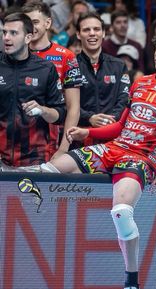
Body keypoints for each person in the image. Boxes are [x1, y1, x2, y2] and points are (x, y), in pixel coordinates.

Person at [39, 29, 156, 289]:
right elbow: (119, 127)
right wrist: (87, 131)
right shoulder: (140, 84)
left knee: (122, 212)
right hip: (114, 148)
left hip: (142, 159)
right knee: (49, 170)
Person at [0, 12, 66, 167]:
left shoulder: (45, 68)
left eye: (13, 33)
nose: (6, 38)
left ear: (28, 38)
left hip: (33, 158)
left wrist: (43, 110)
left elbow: (60, 114)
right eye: (4, 32)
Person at [22, 0, 81, 159]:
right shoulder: (14, 54)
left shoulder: (66, 56)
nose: (31, 27)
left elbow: (73, 107)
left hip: (50, 142)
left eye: (35, 22)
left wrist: (63, 149)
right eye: (26, 23)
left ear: (48, 23)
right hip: (16, 142)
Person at [75, 12, 130, 142]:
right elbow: (64, 103)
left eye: (97, 29)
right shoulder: (70, 65)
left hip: (113, 136)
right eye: (86, 30)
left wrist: (110, 119)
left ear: (103, 33)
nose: (92, 33)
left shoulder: (119, 65)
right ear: (78, 34)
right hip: (80, 137)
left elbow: (125, 99)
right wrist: (89, 117)